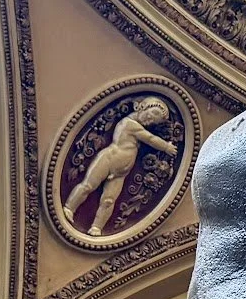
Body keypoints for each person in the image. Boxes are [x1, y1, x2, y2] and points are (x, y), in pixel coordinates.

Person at [64, 96, 178, 237]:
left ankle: (96, 227)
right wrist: (166, 147)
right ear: (140, 107)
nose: (152, 120)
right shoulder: (129, 124)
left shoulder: (138, 127)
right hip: (107, 160)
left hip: (121, 173)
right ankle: (69, 208)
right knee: (88, 185)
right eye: (153, 114)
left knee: (109, 200)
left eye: (156, 121)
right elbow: (150, 139)